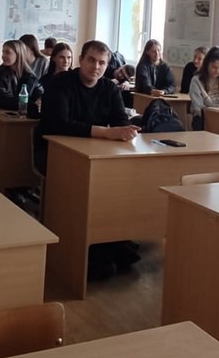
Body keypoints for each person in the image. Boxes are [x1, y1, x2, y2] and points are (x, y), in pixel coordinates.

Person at [36, 40, 141, 277]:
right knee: (84, 186)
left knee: (116, 184)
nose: (96, 66)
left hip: (93, 155)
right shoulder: (61, 83)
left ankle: (109, 240)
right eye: (91, 60)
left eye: (102, 63)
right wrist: (105, 132)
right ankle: (86, 249)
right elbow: (60, 124)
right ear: (81, 60)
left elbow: (120, 122)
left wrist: (125, 131)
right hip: (53, 153)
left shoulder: (109, 88)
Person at [189, 47, 219, 129]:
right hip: (203, 118)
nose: (217, 71)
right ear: (207, 65)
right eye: (214, 67)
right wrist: (214, 116)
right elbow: (198, 108)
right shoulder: (196, 80)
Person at [0, 40, 41, 113]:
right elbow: (1, 99)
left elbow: (39, 93)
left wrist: (39, 101)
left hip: (22, 114)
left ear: (19, 54)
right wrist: (29, 105)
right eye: (3, 52)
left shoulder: (30, 76)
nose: (3, 56)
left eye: (8, 52)